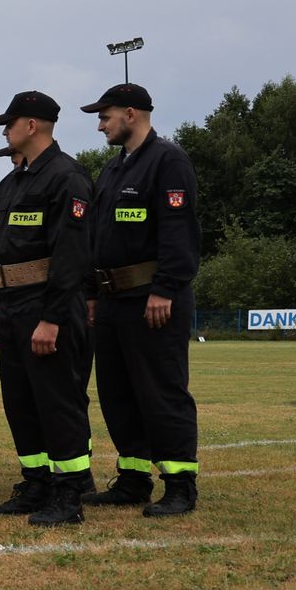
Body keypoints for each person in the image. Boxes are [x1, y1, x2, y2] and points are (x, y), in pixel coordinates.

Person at [82, 82, 203, 516]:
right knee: (118, 394)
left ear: (130, 114)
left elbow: (178, 230)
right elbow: (97, 236)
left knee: (161, 391)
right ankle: (133, 480)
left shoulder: (168, 161)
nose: (100, 126)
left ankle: (180, 484)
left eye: (105, 117)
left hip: (151, 297)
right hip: (113, 300)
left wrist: (165, 288)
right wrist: (92, 293)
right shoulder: (114, 169)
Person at [0, 92, 95, 526]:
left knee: (56, 400)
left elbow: (71, 254)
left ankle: (69, 492)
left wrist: (52, 318)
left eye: (9, 124)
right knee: (20, 401)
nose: (4, 132)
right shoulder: (12, 183)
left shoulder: (67, 177)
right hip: (10, 306)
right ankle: (36, 483)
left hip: (46, 306)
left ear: (32, 125)